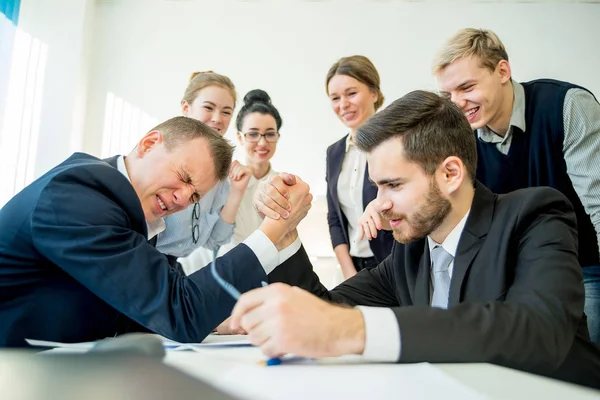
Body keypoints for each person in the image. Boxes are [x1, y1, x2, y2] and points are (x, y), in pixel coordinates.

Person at [230, 91, 600, 389]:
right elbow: (324, 307)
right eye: (377, 187)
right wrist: (286, 229)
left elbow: (540, 330)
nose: (380, 203)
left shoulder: (534, 216)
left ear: (450, 173)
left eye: (394, 185)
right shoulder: (409, 253)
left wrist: (353, 329)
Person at [0, 116, 312, 347]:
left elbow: (139, 300)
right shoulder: (78, 196)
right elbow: (180, 310)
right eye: (183, 177)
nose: (181, 200)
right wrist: (276, 228)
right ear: (150, 144)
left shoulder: (124, 210)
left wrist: (217, 320)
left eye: (193, 197)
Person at [432, 28, 600, 344]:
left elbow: (599, 204)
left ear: (503, 71)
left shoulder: (567, 106)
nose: (457, 103)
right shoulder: (463, 136)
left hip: (586, 267)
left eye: (466, 87)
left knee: (587, 365)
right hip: (523, 275)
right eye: (448, 95)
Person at [180, 89, 283, 274]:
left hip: (271, 273)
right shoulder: (223, 181)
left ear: (277, 137)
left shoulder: (284, 185)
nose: (262, 143)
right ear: (239, 137)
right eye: (253, 134)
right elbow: (213, 239)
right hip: (225, 271)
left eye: (270, 134)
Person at [156, 71, 252, 266]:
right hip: (141, 258)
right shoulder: (160, 155)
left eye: (226, 112)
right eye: (209, 107)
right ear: (186, 107)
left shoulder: (222, 173)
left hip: (172, 267)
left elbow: (214, 241)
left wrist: (236, 192)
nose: (217, 118)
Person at [324, 55, 394, 280]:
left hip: (393, 264)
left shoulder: (396, 144)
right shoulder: (334, 153)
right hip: (352, 266)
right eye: (335, 98)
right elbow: (335, 218)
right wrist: (348, 270)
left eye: (351, 93)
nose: (343, 105)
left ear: (374, 92)